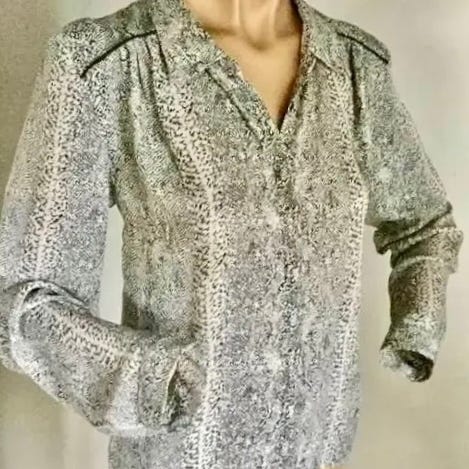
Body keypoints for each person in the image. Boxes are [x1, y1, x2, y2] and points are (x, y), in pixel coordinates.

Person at [0, 0, 463, 468]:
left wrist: (417, 327)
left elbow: (424, 224)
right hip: (182, 456)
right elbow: (25, 301)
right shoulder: (107, 61)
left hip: (317, 452)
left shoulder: (352, 66)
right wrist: (153, 380)